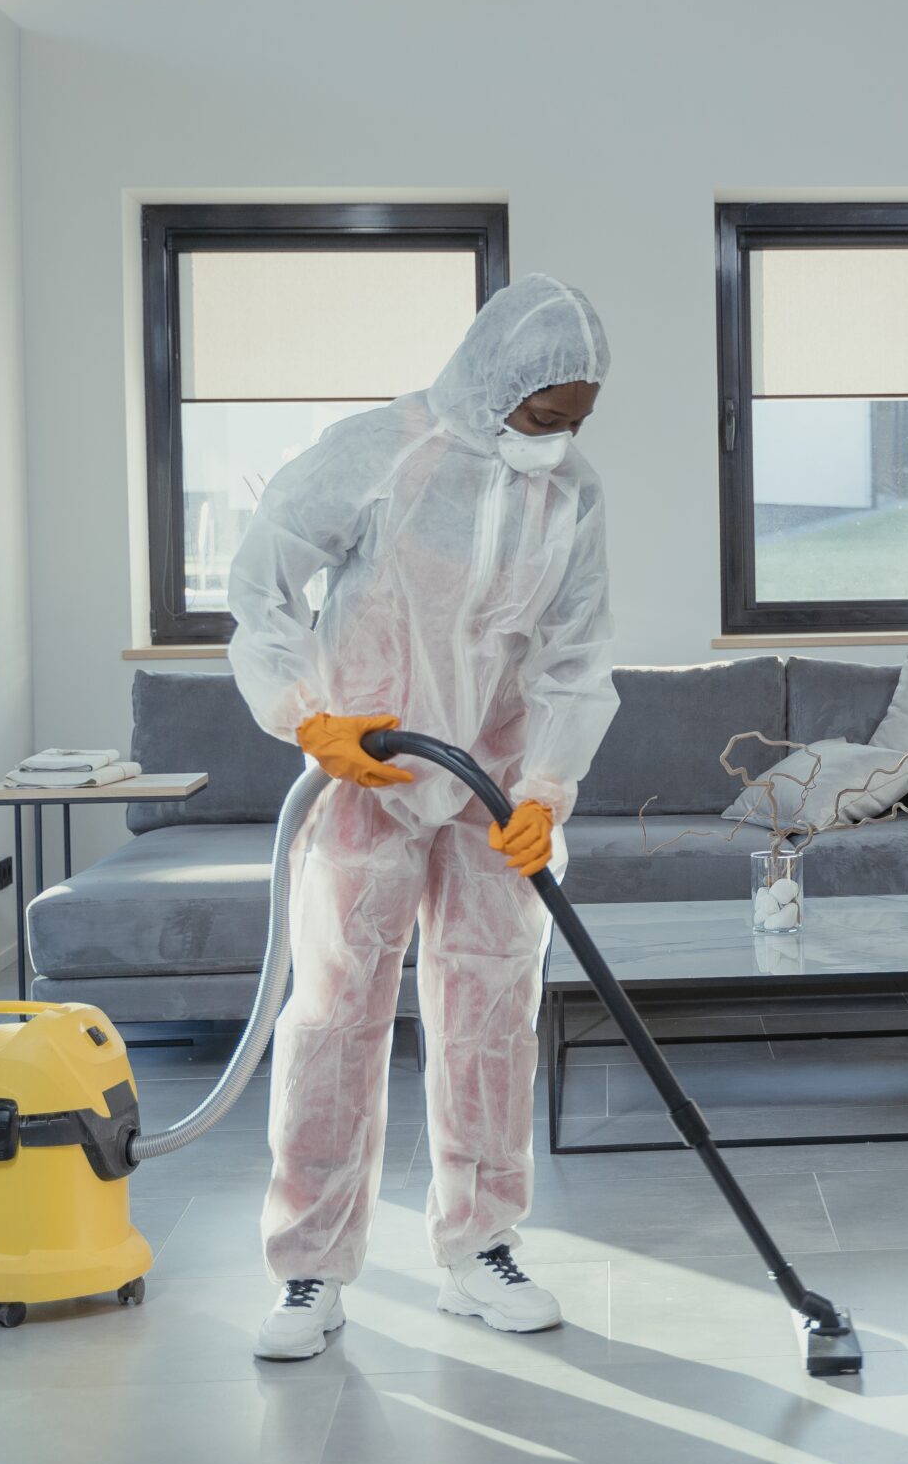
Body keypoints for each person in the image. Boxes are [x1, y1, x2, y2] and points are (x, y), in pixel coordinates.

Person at [227, 274, 619, 1360]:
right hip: (372, 771)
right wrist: (310, 720)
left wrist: (546, 786)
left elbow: (577, 655)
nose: (557, 439)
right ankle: (309, 1269)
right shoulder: (378, 454)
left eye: (576, 422)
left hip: (492, 781)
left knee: (494, 1010)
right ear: (496, 383)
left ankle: (478, 1248)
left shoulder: (570, 492)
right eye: (544, 418)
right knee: (336, 1016)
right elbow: (259, 585)